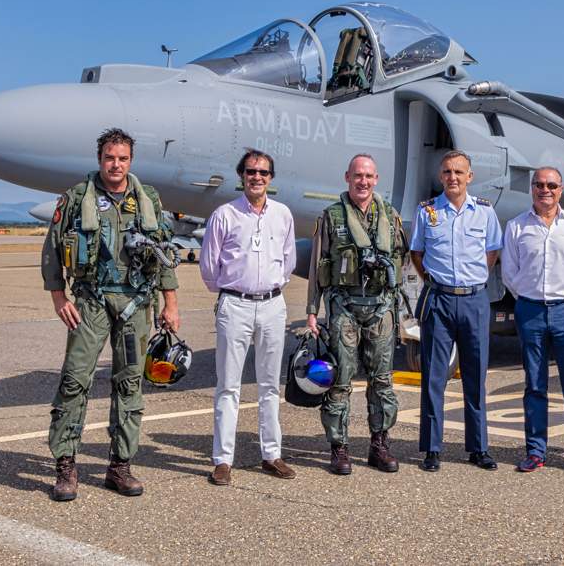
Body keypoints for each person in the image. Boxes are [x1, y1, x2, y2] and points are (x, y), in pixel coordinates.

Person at [42, 127, 180, 500]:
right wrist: (58, 297)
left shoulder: (148, 199)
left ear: (130, 161)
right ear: (99, 159)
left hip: (136, 304)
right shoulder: (76, 198)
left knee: (130, 383)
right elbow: (53, 249)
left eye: (122, 158)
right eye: (109, 158)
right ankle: (66, 465)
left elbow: (163, 252)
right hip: (91, 302)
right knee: (74, 380)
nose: (115, 164)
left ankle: (120, 466)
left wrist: (171, 303)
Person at [306, 153, 408, 475]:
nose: (363, 182)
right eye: (357, 176)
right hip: (344, 308)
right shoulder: (331, 217)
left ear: (376, 180)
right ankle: (339, 448)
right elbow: (317, 267)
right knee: (340, 381)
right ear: (347, 178)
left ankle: (380, 445)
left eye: (368, 176)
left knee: (382, 381)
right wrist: (312, 311)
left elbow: (401, 259)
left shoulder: (390, 216)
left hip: (381, 309)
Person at [199, 150, 296, 486]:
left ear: (271, 178)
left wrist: (270, 286)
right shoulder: (224, 215)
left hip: (272, 305)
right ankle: (223, 460)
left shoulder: (282, 215)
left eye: (263, 172)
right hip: (235, 305)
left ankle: (272, 454)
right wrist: (232, 290)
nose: (257, 177)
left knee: (269, 384)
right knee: (228, 385)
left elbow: (288, 260)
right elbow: (209, 266)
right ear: (241, 175)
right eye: (251, 171)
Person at [501, 167, 564, 476]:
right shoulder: (517, 226)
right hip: (530, 311)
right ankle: (535, 451)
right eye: (540, 184)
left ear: (561, 190)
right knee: (535, 384)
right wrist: (529, 297)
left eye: (552, 185)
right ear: (532, 188)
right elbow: (509, 273)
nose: (546, 190)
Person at [410, 150, 501, 472]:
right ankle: (432, 448)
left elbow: (492, 252)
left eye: (459, 172)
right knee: (434, 377)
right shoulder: (427, 211)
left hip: (475, 300)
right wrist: (433, 282)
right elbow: (417, 252)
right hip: (439, 301)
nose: (453, 178)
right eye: (448, 172)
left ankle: (478, 448)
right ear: (441, 176)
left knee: (475, 376)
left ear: (469, 177)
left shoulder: (485, 212)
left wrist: (474, 280)